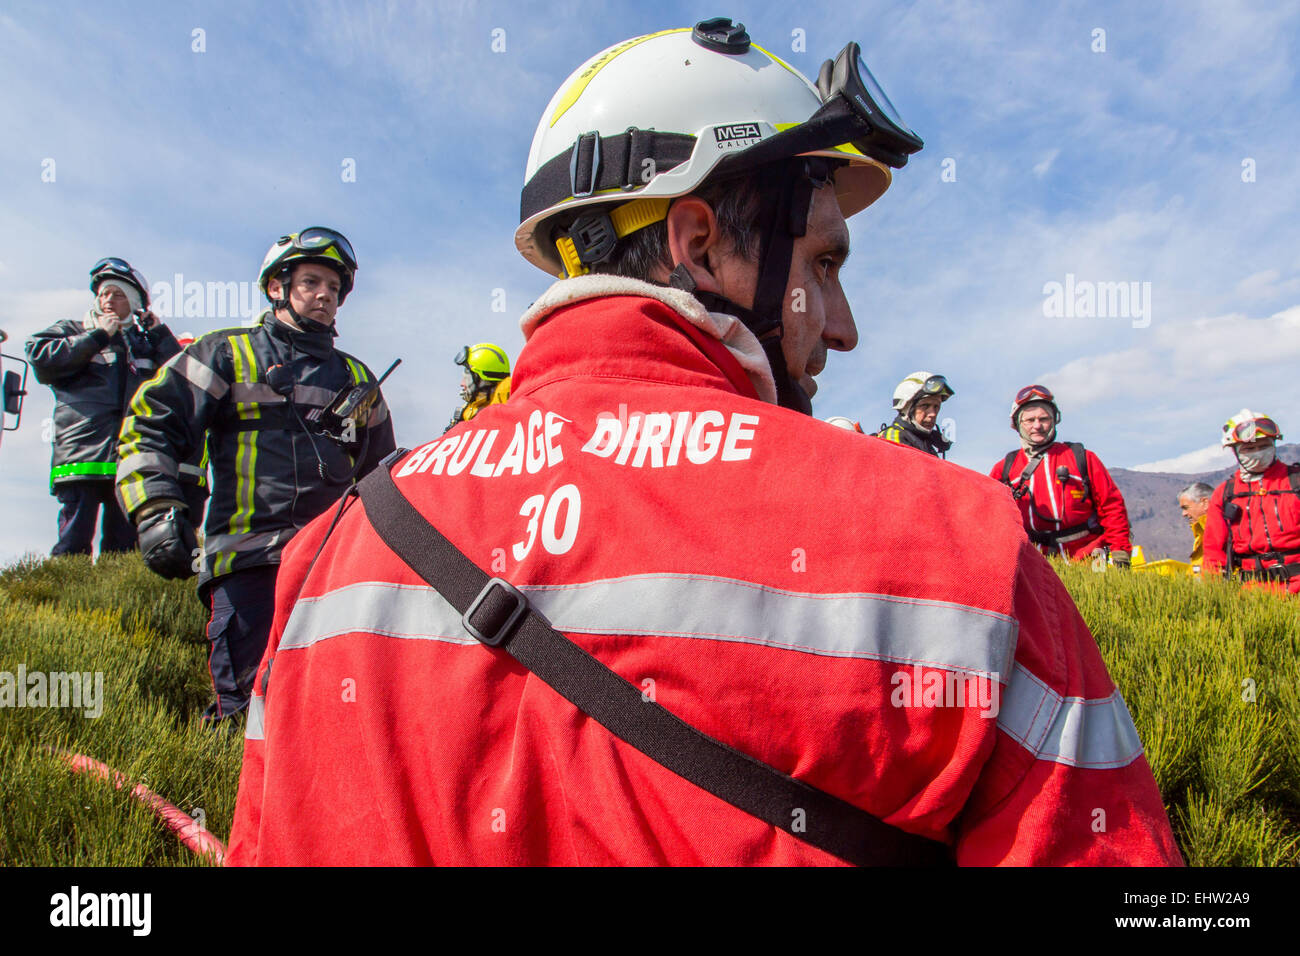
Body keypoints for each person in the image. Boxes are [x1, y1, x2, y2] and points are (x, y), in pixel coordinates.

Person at [229, 21, 1180, 865]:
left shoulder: (328, 558)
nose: (842, 326)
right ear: (696, 242)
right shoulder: (957, 548)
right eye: (823, 263)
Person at [115, 228, 396, 724]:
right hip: (247, 563)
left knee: (327, 716)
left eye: (333, 287)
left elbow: (383, 478)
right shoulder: (225, 353)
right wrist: (156, 507)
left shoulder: (358, 380)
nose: (325, 295)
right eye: (311, 282)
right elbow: (149, 426)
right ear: (276, 288)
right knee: (245, 714)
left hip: (333, 573)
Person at [25, 258, 204, 556]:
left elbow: (184, 378)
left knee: (122, 549)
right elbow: (41, 358)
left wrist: (159, 334)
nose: (108, 300)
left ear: (134, 304)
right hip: (81, 458)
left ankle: (114, 598)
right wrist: (97, 336)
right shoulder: (72, 330)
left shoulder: (144, 344)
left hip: (131, 460)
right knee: (71, 544)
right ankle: (63, 597)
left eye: (118, 294)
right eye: (104, 293)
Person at [991, 384, 1132, 566]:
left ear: (1054, 420)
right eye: (1030, 420)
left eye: (1044, 419)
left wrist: (1120, 552)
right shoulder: (1004, 469)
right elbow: (991, 519)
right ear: (1017, 423)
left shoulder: (1083, 457)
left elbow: (1112, 507)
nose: (1037, 425)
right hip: (1034, 563)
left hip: (1088, 558)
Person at [1203, 410, 1300, 593]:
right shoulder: (1225, 494)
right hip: (1252, 594)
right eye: (1249, 448)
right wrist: (1213, 595)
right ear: (1235, 451)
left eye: (1264, 446)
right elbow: (1213, 552)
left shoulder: (1296, 482)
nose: (1257, 453)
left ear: (1274, 444)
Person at [875, 371, 953, 457]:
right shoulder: (892, 438)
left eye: (936, 407)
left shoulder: (927, 444)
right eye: (925, 406)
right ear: (906, 408)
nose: (933, 414)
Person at [446, 342, 511, 431]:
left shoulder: (511, 401)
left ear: (482, 380)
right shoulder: (464, 412)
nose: (462, 384)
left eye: (466, 379)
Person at [1177, 482, 1213, 574]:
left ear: (1205, 503)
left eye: (1186, 507)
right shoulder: (1200, 534)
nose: (1183, 514)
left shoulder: (1227, 532)